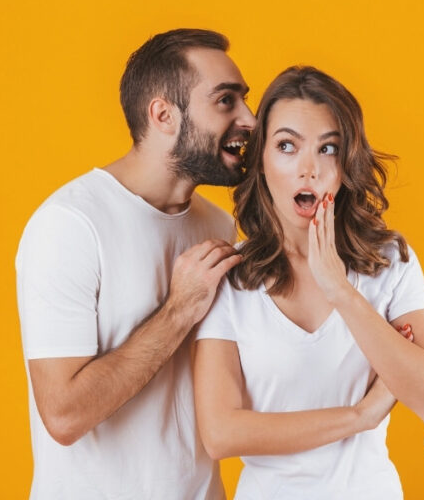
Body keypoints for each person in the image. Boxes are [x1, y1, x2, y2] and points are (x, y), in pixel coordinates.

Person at [15, 28, 256, 499]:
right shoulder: (70, 225)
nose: (249, 118)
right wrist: (179, 309)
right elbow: (64, 416)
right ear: (163, 115)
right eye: (226, 101)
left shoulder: (220, 227)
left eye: (245, 100)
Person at [193, 66, 424, 499]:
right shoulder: (230, 278)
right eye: (287, 146)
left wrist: (340, 290)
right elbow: (221, 432)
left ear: (345, 163)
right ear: (261, 160)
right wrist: (359, 416)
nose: (308, 169)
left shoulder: (389, 261)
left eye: (328, 148)